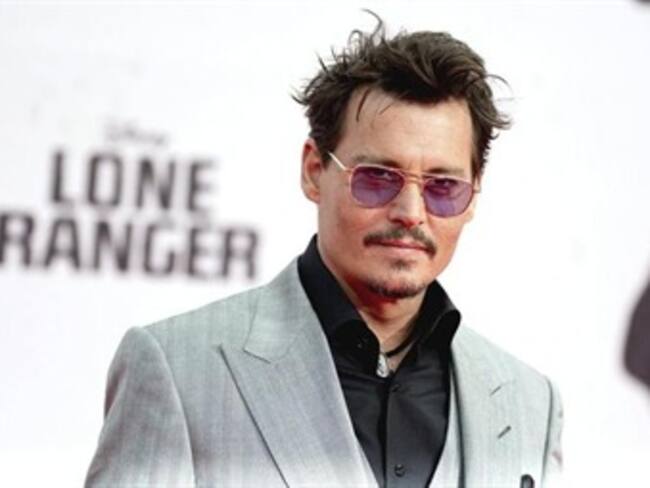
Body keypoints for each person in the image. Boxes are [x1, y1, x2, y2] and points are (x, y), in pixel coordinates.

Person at [86, 16, 563, 488]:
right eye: (377, 178)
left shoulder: (531, 405)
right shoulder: (179, 368)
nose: (411, 212)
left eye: (443, 186)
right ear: (314, 171)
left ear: (473, 196)